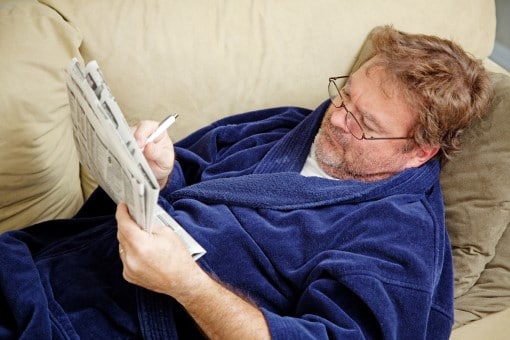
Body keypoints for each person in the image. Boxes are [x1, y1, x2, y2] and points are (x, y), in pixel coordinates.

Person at [0, 26, 493, 339]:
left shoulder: (398, 242)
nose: (337, 119)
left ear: (420, 150)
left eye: (364, 123)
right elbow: (195, 177)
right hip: (54, 265)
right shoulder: (289, 126)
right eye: (344, 97)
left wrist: (186, 286)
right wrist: (161, 171)